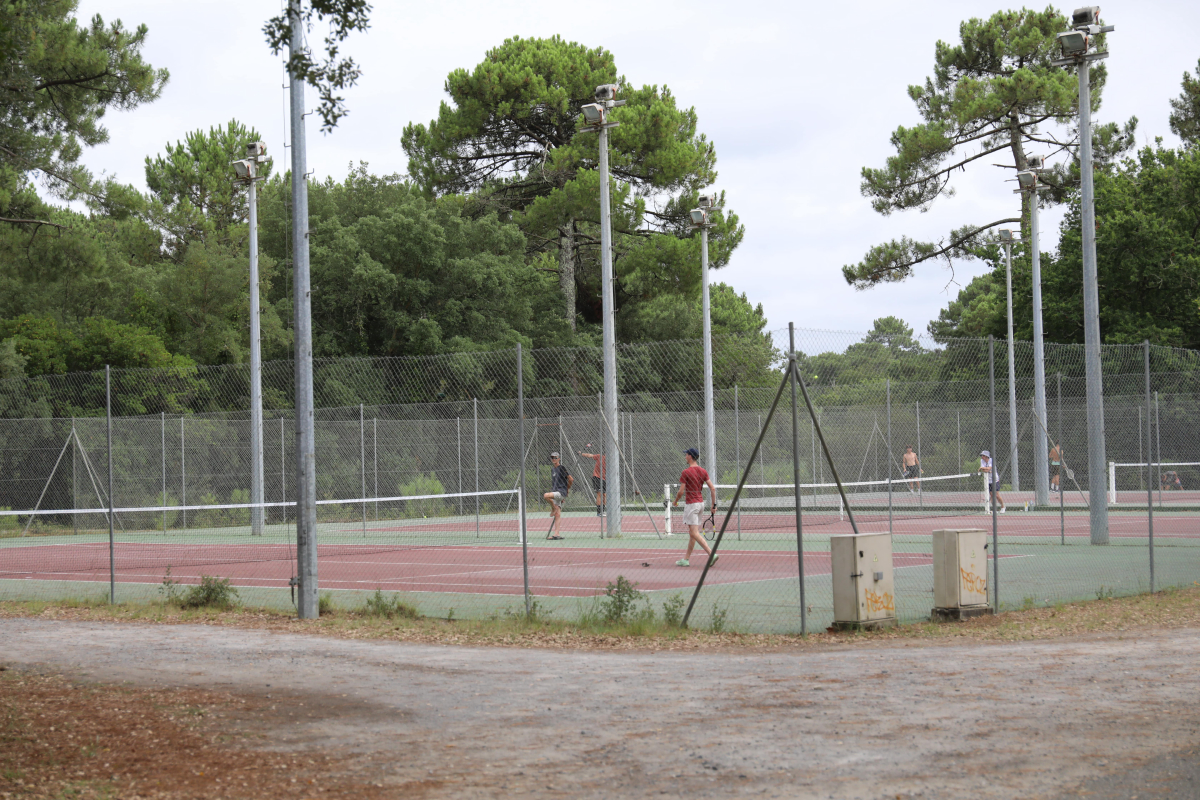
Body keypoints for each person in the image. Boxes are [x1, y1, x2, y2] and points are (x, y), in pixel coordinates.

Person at [671, 447, 718, 568]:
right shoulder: (703, 471)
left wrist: (675, 501)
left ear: (690, 456)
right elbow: (712, 488)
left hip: (692, 505)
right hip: (701, 504)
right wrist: (713, 505)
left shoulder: (686, 472)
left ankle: (711, 554)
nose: (685, 457)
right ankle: (686, 559)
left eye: (686, 455)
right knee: (693, 533)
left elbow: (681, 492)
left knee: (694, 533)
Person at [543, 452, 573, 540]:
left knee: (546, 496)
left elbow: (571, 479)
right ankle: (556, 534)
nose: (554, 459)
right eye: (552, 457)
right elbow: (554, 484)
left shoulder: (562, 468)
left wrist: (566, 490)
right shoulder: (553, 470)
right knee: (557, 515)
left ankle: (553, 508)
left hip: (561, 492)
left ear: (559, 458)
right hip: (556, 493)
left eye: (555, 457)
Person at [578, 444, 606, 516]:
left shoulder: (611, 461)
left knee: (604, 495)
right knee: (599, 493)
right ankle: (599, 512)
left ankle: (603, 511)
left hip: (604, 479)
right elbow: (590, 455)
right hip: (596, 477)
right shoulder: (599, 456)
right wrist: (581, 453)